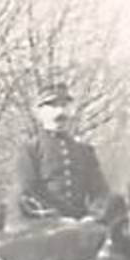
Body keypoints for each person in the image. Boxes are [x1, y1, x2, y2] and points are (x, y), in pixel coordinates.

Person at [14, 82, 109, 221]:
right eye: (52, 106)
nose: (60, 112)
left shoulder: (85, 151)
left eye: (64, 105)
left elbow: (101, 193)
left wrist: (93, 216)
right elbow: (28, 195)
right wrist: (56, 219)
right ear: (39, 112)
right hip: (44, 227)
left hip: (82, 225)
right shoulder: (30, 150)